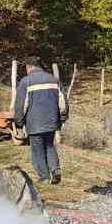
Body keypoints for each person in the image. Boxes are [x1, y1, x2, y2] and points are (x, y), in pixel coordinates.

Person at [13, 55, 66, 185]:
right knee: (49, 145)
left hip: (34, 122)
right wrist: (62, 118)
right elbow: (62, 102)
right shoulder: (54, 80)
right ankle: (55, 170)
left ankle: (44, 177)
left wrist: (19, 122)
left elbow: (21, 105)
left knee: (37, 150)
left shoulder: (26, 81)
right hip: (51, 121)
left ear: (29, 67)